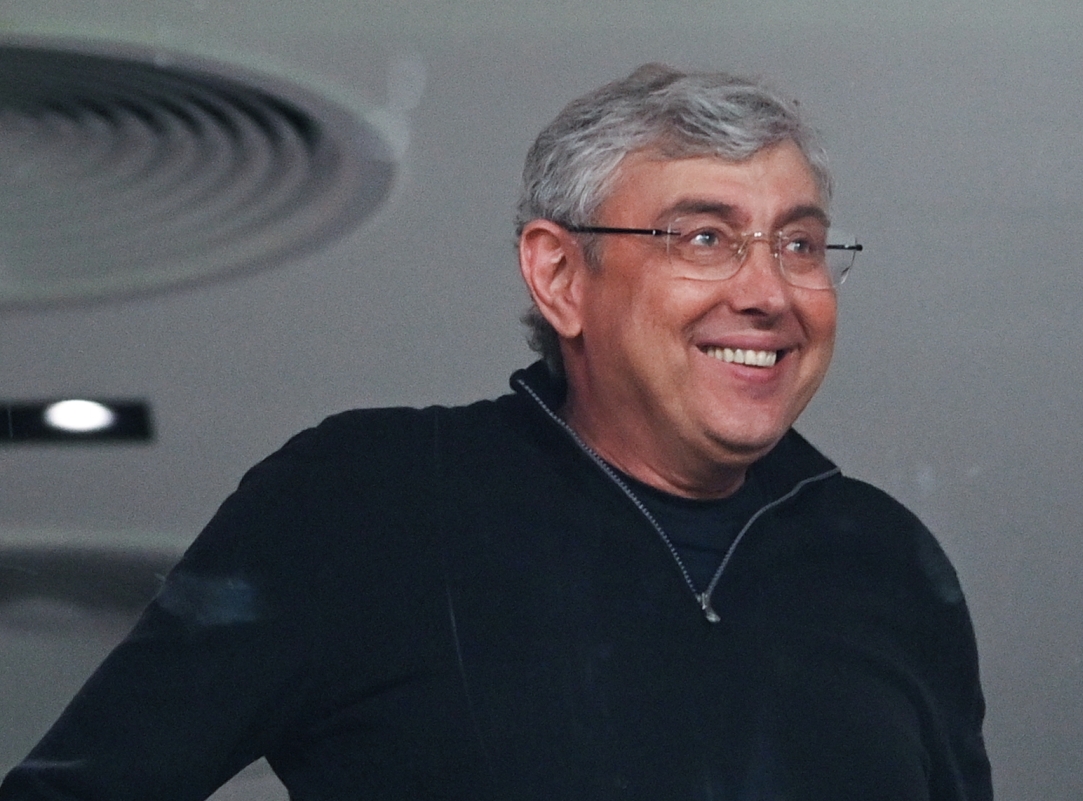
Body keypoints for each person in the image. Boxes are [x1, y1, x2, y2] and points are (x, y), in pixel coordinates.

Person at [0, 63, 991, 800]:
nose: (769, 291)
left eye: (800, 244)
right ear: (560, 276)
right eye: (705, 237)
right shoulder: (368, 501)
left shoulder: (886, 564)